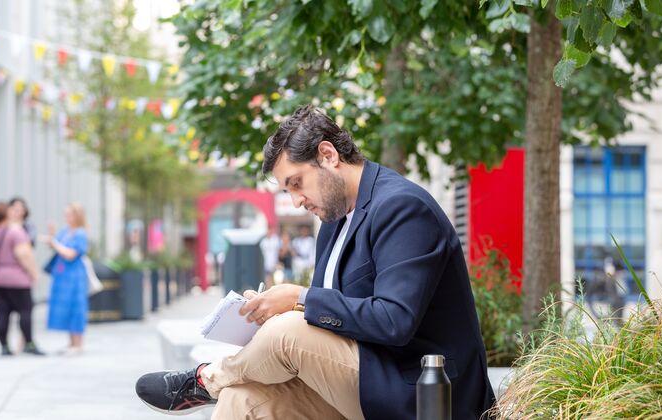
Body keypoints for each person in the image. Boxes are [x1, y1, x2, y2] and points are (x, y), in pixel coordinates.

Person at [135, 105, 495, 419]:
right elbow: (331, 318)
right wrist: (275, 308)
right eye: (287, 190)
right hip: (362, 382)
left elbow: (393, 320)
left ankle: (205, 380)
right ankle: (217, 386)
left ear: (327, 155)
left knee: (287, 331)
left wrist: (299, 299)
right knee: (241, 398)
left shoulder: (402, 208)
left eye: (297, 183)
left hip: (422, 391)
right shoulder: (334, 223)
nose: (296, 201)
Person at [0, 201, 44, 356]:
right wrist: (34, 274)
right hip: (17, 279)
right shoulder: (15, 232)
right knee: (25, 310)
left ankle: (4, 346)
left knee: (1, 312)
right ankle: (29, 343)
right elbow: (24, 255)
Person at [42, 203, 89, 355]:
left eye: (69, 214)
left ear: (77, 216)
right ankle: (71, 343)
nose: (67, 217)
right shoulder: (65, 231)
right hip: (62, 276)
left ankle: (78, 344)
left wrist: (54, 243)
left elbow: (70, 254)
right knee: (66, 308)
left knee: (76, 308)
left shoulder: (80, 234)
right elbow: (55, 245)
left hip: (74, 277)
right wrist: (51, 235)